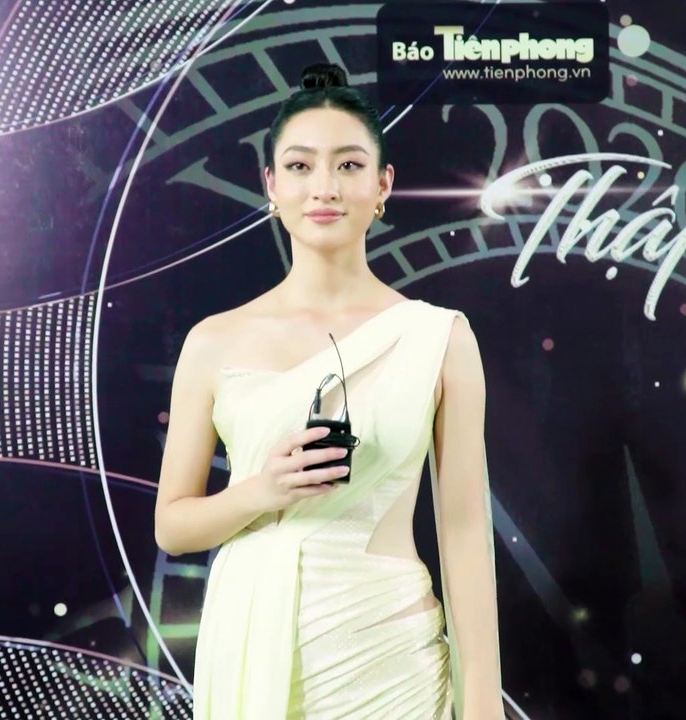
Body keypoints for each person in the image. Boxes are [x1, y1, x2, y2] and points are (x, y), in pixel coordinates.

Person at [153, 62, 502, 719]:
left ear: (382, 185)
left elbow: (463, 533)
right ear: (272, 185)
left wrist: (482, 707)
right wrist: (263, 490)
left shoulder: (440, 337)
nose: (325, 187)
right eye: (300, 166)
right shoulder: (213, 341)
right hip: (251, 641)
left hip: (388, 655)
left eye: (348, 165)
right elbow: (172, 526)